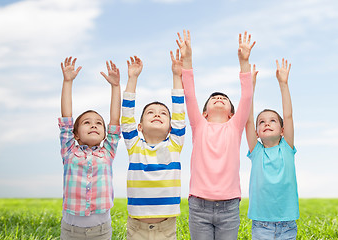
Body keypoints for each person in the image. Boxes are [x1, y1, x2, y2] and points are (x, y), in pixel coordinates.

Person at [176, 30, 254, 240]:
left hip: (229, 206)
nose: (219, 98)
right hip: (198, 205)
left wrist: (244, 63)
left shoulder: (235, 126)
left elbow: (247, 97)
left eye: (223, 98)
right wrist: (188, 59)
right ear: (204, 112)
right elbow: (190, 94)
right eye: (214, 98)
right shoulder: (198, 125)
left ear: (231, 113)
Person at [121, 54, 185, 240]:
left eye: (163, 113)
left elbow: (179, 112)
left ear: (171, 128)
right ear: (139, 127)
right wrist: (133, 78)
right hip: (137, 227)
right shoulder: (134, 146)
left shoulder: (174, 144)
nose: (157, 114)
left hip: (166, 227)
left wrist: (176, 76)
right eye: (150, 112)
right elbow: (126, 117)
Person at [58, 57, 121, 239]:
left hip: (101, 230)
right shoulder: (69, 151)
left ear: (105, 133)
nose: (94, 125)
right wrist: (67, 81)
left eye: (99, 123)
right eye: (87, 122)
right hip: (71, 230)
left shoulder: (107, 152)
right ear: (75, 134)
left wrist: (115, 87)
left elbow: (115, 121)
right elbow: (66, 117)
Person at [245, 59, 299, 240]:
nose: (266, 123)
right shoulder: (256, 151)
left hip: (287, 224)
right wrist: (250, 88)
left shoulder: (287, 147)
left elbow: (289, 116)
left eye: (273, 120)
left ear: (283, 131)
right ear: (257, 132)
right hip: (262, 225)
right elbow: (247, 119)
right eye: (262, 122)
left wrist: (283, 84)